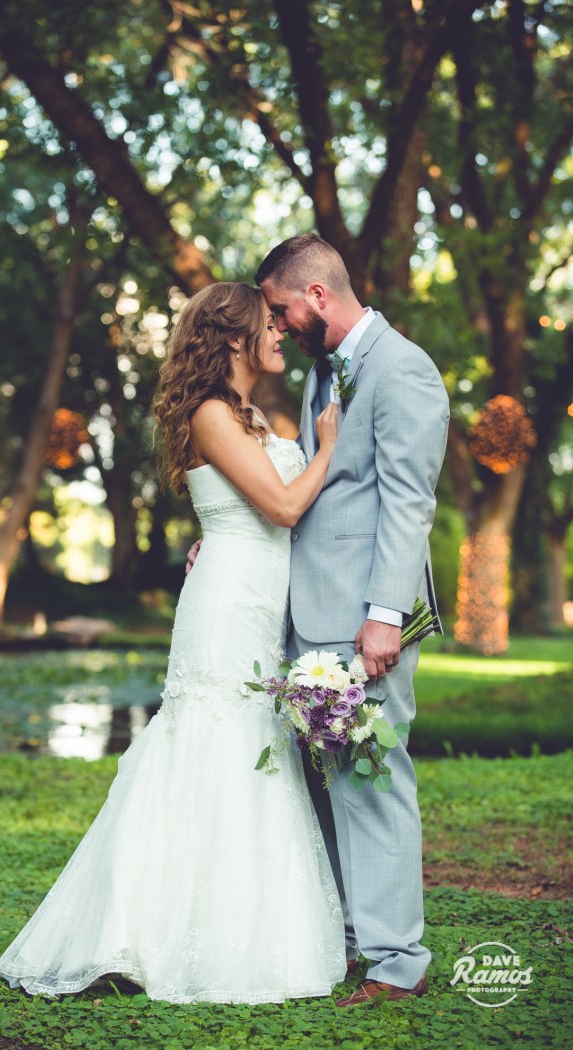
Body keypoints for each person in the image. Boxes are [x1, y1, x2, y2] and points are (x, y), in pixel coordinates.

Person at [0, 281, 347, 1004]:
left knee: (253, 750)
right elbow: (280, 506)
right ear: (234, 338)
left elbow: (249, 509)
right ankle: (142, 932)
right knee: (212, 744)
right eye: (268, 324)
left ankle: (241, 924)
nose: (280, 333)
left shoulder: (245, 414)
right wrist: (330, 449)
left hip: (254, 599)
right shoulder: (213, 412)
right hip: (224, 610)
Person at [254, 233, 450, 1006]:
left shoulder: (402, 369)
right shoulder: (326, 373)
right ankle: (345, 937)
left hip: (362, 622)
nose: (277, 327)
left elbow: (407, 501)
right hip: (315, 616)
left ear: (318, 297)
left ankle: (398, 960)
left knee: (372, 780)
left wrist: (384, 617)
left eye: (280, 311)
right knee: (331, 779)